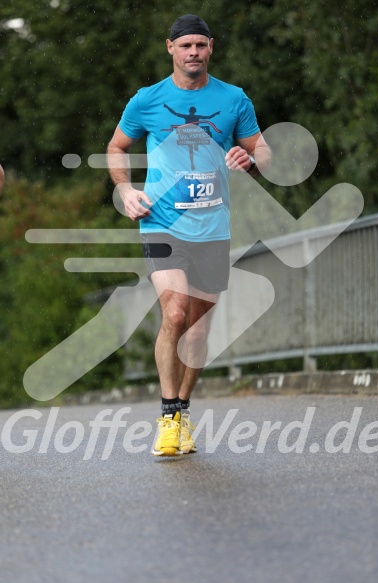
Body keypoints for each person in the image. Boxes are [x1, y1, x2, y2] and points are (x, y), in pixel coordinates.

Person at [107, 14, 271, 456]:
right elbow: (116, 147)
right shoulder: (147, 100)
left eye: (200, 45)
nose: (193, 53)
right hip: (162, 222)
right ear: (170, 49)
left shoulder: (234, 99)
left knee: (196, 334)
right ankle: (166, 417)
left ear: (211, 47)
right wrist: (125, 188)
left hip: (213, 229)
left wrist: (251, 158)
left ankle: (183, 410)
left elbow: (266, 155)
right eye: (185, 46)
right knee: (175, 314)